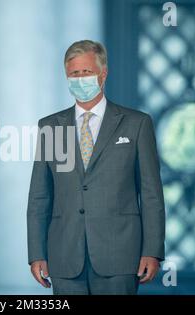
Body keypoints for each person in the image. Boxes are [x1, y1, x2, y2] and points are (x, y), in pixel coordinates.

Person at [27, 40, 165, 295]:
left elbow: (151, 194)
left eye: (87, 72)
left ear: (103, 73)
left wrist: (152, 250)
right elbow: (39, 196)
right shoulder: (50, 127)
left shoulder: (136, 124)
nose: (81, 79)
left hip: (121, 255)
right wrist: (36, 254)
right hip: (65, 257)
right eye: (74, 74)